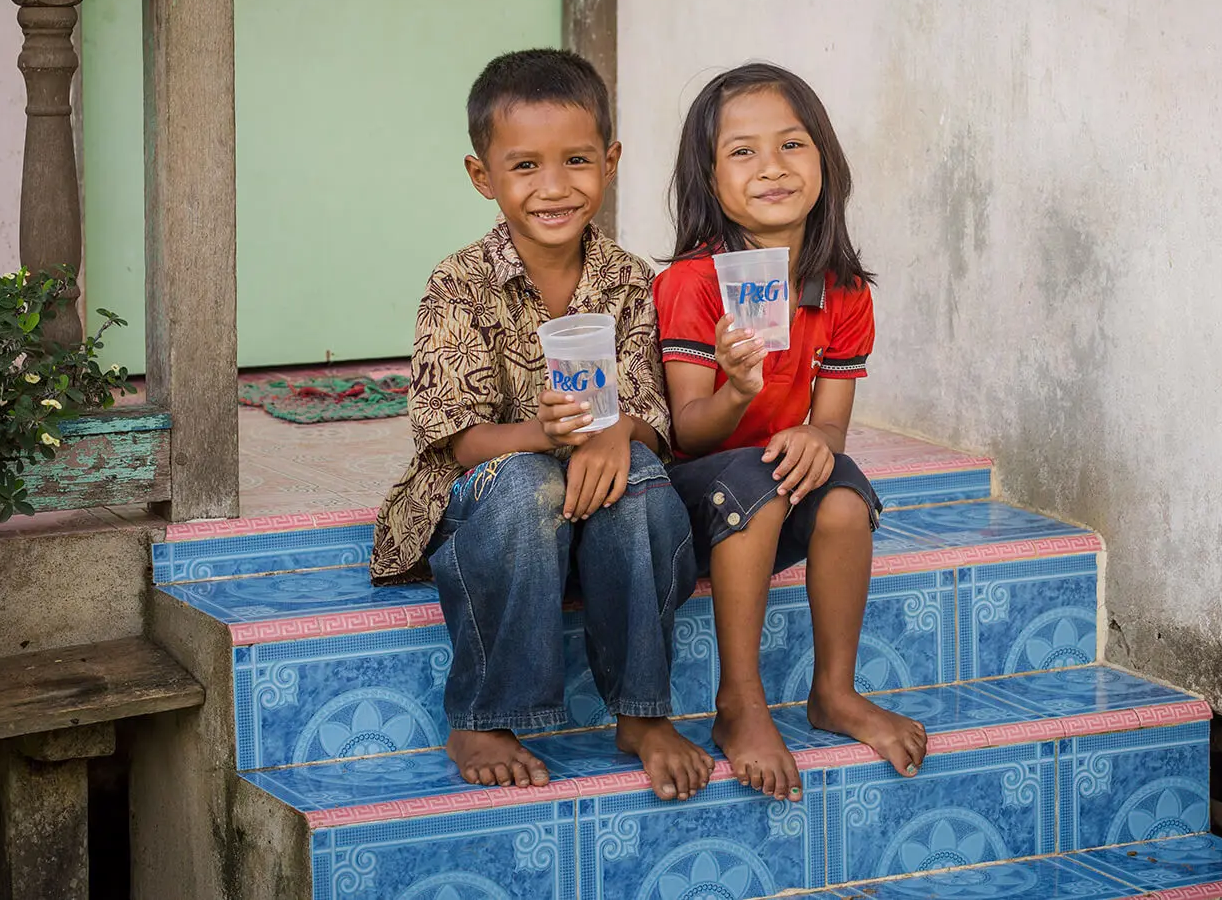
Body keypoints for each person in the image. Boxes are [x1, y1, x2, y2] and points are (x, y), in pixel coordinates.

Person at [371, 49, 712, 802]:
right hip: (489, 498)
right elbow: (460, 439)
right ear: (482, 176)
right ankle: (487, 713)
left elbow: (654, 414)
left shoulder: (631, 280)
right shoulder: (457, 282)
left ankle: (641, 711)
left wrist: (617, 431)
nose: (554, 187)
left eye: (577, 161)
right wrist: (550, 434)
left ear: (611, 161)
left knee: (647, 483)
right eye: (524, 166)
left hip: (596, 493)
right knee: (527, 484)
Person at [654, 62, 929, 803]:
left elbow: (832, 421)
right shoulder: (692, 282)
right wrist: (738, 389)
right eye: (742, 151)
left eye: (792, 144)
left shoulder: (841, 289)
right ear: (710, 180)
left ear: (825, 160)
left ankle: (833, 691)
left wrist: (819, 437)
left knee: (844, 498)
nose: (771, 167)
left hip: (775, 474)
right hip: (695, 488)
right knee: (753, 484)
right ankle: (739, 700)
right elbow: (689, 429)